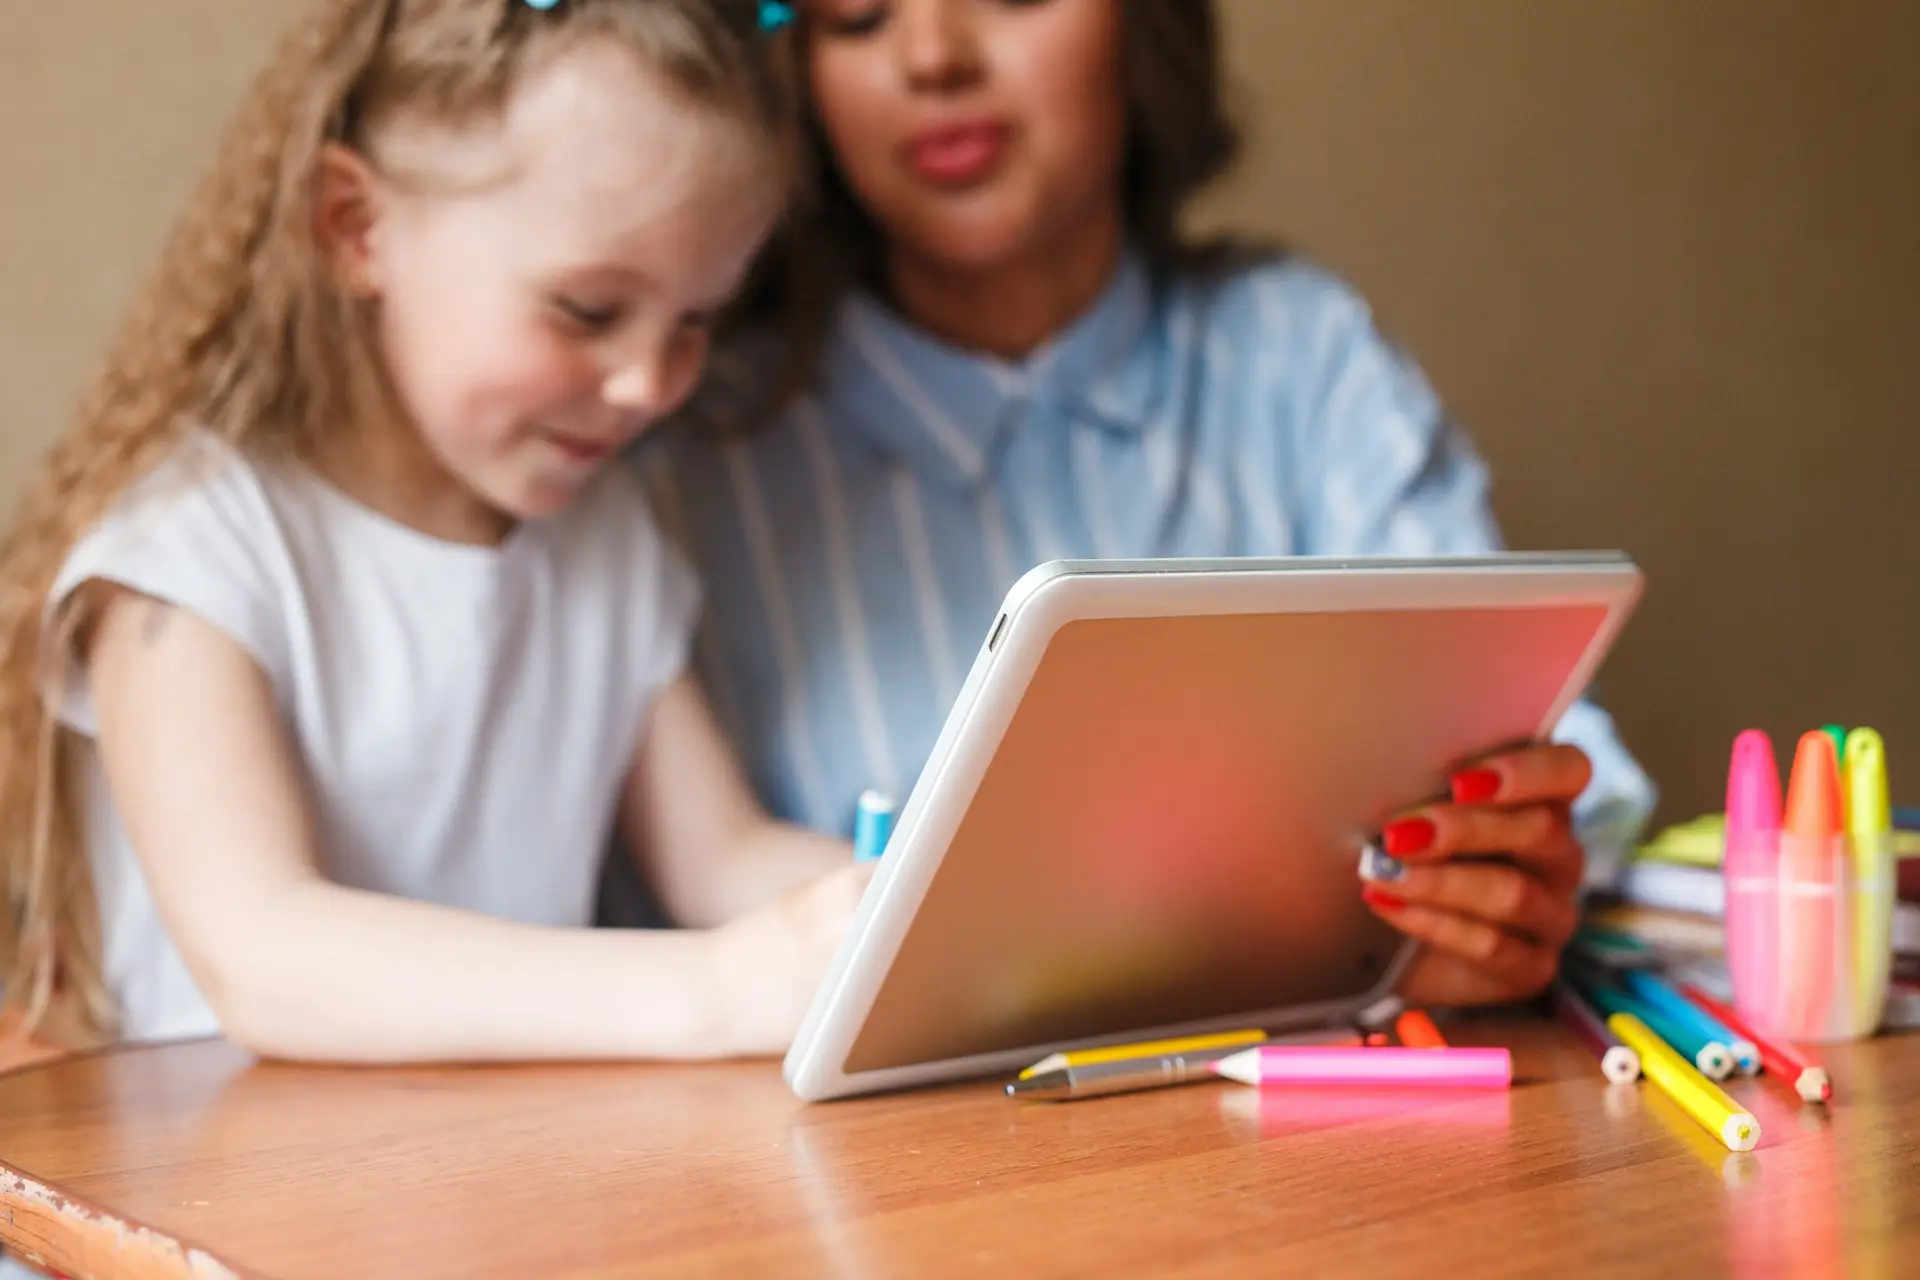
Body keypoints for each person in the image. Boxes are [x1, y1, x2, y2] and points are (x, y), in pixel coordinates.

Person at [636, 0, 1657, 1009]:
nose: (933, 56)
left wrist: (1501, 880)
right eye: (858, 17)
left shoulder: (1296, 356)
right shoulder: (673, 428)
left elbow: (1562, 769)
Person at [0, 0, 870, 1067]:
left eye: (695, 319)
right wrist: (715, 985)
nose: (649, 382)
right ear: (358, 229)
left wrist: (930, 911)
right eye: (589, 308)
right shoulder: (191, 552)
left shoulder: (597, 537)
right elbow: (263, 955)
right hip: (213, 1211)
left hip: (490, 1187)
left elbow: (723, 855)